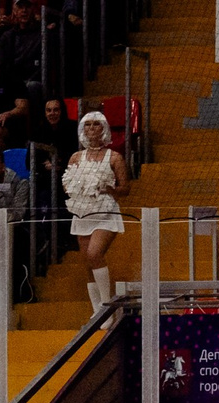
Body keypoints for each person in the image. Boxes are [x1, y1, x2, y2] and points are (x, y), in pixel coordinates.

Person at [63, 110, 125, 313]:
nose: (91, 128)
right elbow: (66, 185)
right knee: (88, 263)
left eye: (96, 124)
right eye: (87, 124)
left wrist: (108, 189)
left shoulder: (114, 157)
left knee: (94, 253)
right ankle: (97, 311)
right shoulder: (75, 157)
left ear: (103, 128)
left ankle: (107, 306)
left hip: (106, 212)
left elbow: (125, 188)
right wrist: (76, 187)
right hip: (82, 211)